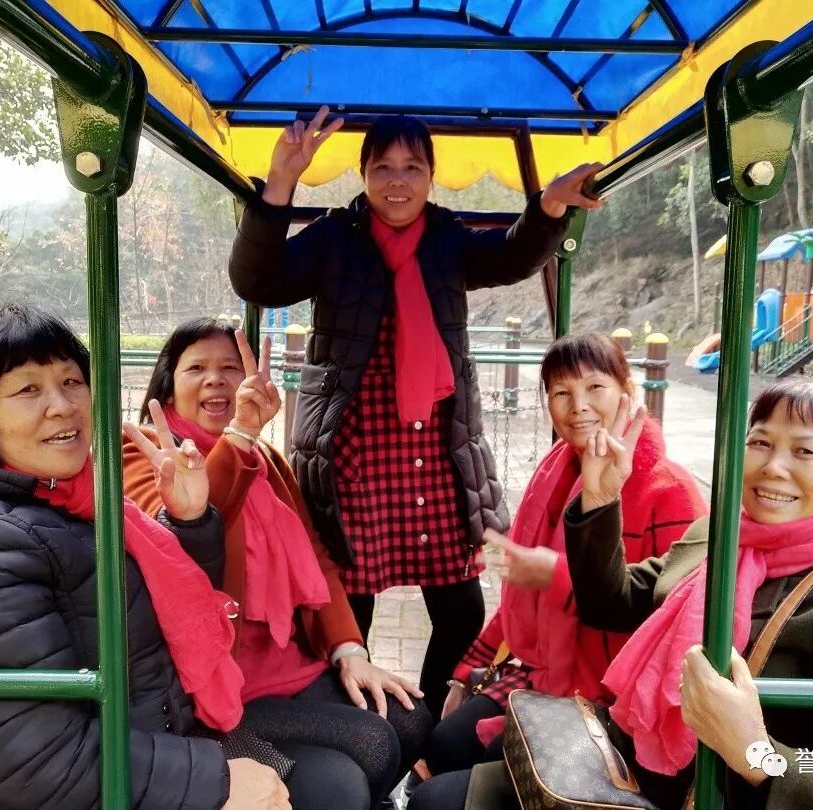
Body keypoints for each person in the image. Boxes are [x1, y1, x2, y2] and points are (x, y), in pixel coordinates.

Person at [229, 107, 604, 718]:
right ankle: (368, 725)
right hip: (354, 450)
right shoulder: (334, 237)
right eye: (383, 167)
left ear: (431, 176)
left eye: (412, 167)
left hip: (437, 450)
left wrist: (550, 206)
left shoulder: (447, 237)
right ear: (364, 174)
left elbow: (511, 256)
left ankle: (423, 721)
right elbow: (258, 280)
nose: (398, 181)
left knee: (461, 609)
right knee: (353, 605)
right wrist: (281, 183)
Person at [411, 376, 813, 809]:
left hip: (713, 793)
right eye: (760, 443)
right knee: (446, 783)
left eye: (805, 451)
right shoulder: (721, 535)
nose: (773, 467)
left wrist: (754, 751)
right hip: (631, 762)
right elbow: (613, 601)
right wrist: (600, 499)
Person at [0, 304, 287, 809]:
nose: (63, 406)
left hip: (154, 730)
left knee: (368, 748)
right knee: (339, 783)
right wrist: (218, 783)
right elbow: (47, 771)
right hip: (85, 781)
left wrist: (189, 522)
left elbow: (151, 616)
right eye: (28, 389)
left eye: (72, 381)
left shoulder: (71, 497)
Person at [122, 317, 432, 810]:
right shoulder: (144, 454)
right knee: (363, 758)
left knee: (410, 719)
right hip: (218, 687)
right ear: (168, 384)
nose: (215, 380)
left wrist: (350, 649)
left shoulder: (265, 458)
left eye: (230, 368)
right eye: (196, 368)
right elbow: (182, 537)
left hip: (290, 660)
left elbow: (316, 556)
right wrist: (240, 434)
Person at [421, 333, 705, 778]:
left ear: (627, 392)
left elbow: (669, 615)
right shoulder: (555, 472)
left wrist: (553, 576)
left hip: (613, 692)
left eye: (595, 387)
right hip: (544, 667)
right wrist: (468, 669)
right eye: (561, 393)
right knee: (441, 743)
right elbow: (523, 596)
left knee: (468, 772)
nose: (578, 407)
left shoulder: (672, 493)